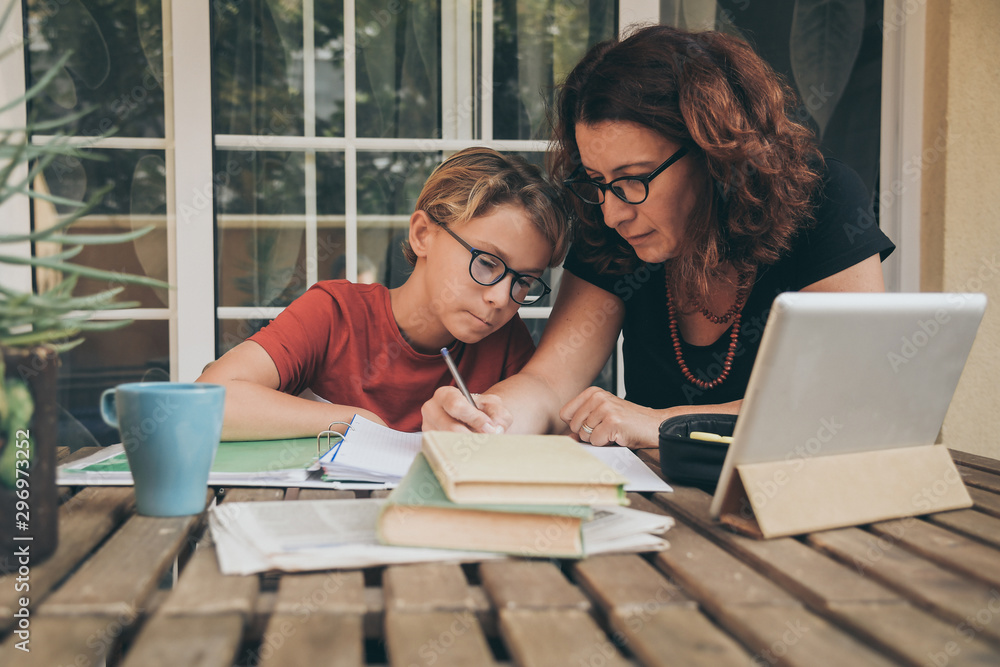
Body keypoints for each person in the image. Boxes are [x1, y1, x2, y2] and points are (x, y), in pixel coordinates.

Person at [421, 25, 895, 448]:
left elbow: (846, 399)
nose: (612, 213)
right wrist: (489, 417)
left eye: (633, 179)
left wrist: (662, 422)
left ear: (714, 153)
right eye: (597, 181)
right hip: (664, 509)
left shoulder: (822, 199)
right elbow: (549, 383)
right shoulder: (611, 230)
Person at [198, 147, 569, 439]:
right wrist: (354, 419)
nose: (502, 299)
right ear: (423, 234)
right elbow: (208, 400)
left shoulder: (505, 341)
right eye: (487, 263)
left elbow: (544, 434)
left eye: (524, 281)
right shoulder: (334, 314)